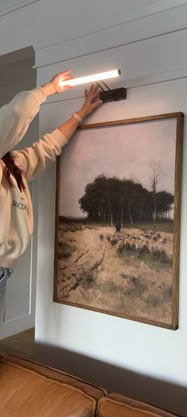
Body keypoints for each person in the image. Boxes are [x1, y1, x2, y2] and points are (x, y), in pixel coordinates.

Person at [0, 70, 103, 324]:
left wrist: (81, 114)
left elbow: (48, 147)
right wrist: (49, 89)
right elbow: (17, 113)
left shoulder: (14, 164)